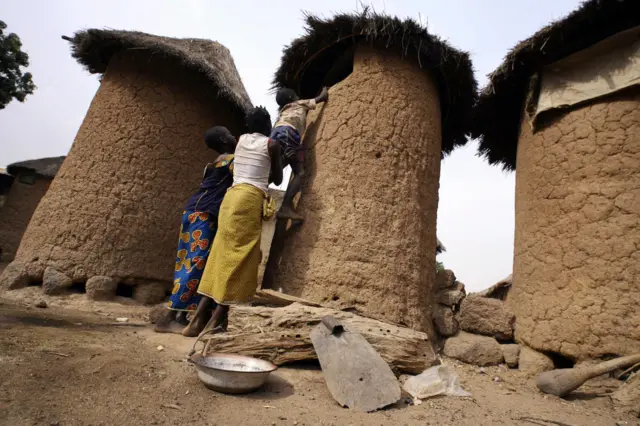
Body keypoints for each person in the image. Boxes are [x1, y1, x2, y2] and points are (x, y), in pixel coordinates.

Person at [182, 106, 283, 337]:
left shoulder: (240, 141)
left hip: (230, 199)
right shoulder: (272, 145)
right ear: (268, 124)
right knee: (240, 258)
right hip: (249, 200)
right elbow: (276, 179)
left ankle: (195, 321)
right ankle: (214, 322)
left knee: (219, 254)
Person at [154, 126, 237, 334]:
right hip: (205, 214)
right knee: (196, 263)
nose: (234, 136)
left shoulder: (211, 164)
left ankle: (181, 315)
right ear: (223, 139)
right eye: (229, 134)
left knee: (189, 262)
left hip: (193, 211)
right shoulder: (231, 160)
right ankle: (168, 318)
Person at [270, 86, 329, 221]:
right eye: (295, 94)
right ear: (291, 98)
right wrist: (325, 89)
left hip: (276, 134)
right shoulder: (299, 103)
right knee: (300, 173)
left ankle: (268, 183)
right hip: (289, 134)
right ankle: (285, 207)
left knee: (278, 167)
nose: (298, 96)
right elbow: (322, 97)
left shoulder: (283, 113)